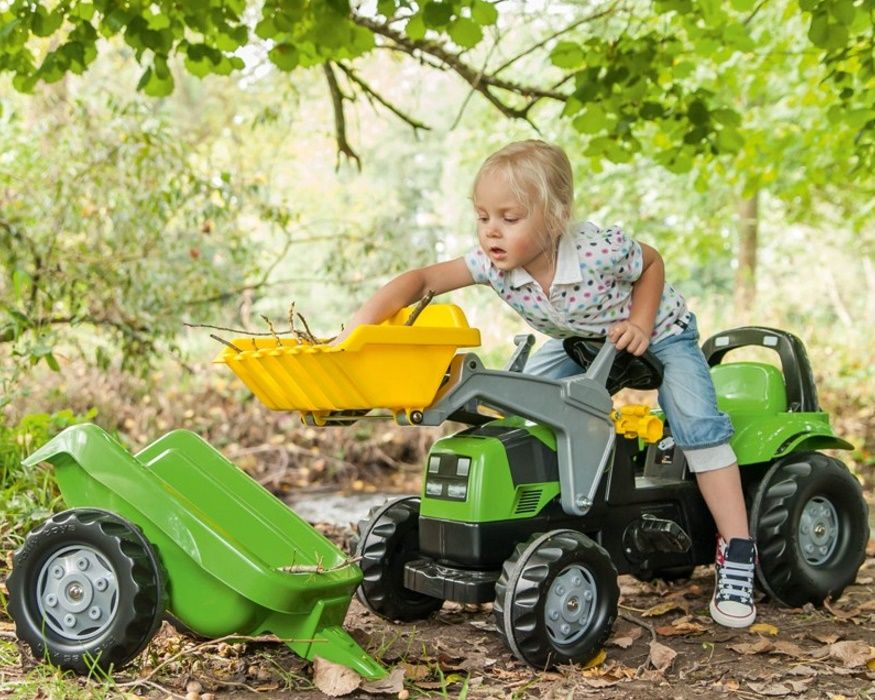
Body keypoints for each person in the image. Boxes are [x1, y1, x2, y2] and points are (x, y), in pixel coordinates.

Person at [336, 139, 757, 628]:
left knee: (697, 426)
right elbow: (421, 280)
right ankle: (550, 516)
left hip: (659, 332)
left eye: (509, 219)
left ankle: (738, 552)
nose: (492, 231)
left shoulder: (599, 250)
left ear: (555, 218)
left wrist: (641, 323)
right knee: (526, 408)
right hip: (581, 339)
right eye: (483, 216)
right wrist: (359, 329)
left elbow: (653, 262)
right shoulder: (491, 264)